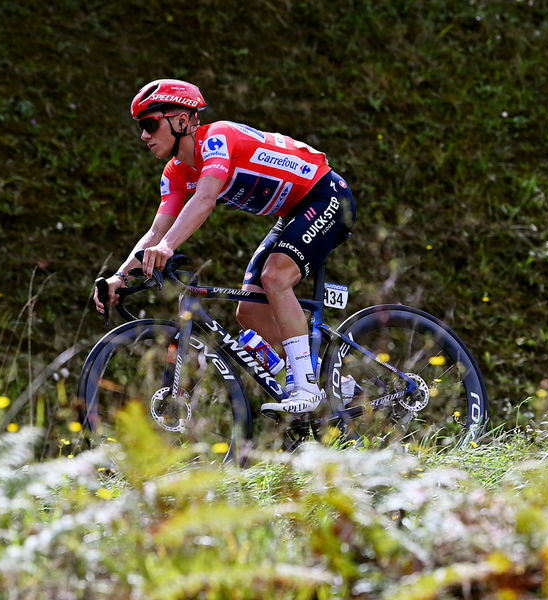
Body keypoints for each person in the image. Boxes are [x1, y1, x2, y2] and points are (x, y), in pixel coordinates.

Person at [93, 78, 355, 415]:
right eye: (141, 127)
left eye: (150, 123)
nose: (144, 135)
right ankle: (338, 385)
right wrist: (119, 278)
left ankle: (305, 388)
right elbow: (156, 231)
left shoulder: (217, 139)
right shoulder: (174, 172)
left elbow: (204, 199)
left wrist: (169, 247)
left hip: (326, 195)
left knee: (276, 277)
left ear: (182, 121)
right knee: (249, 312)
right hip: (292, 213)